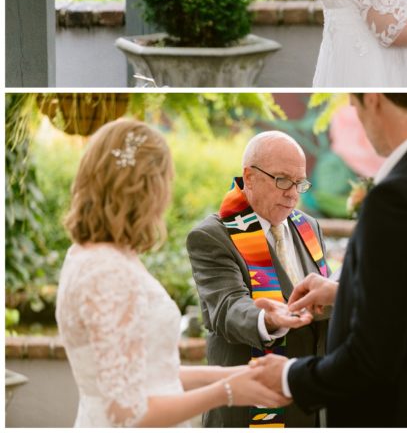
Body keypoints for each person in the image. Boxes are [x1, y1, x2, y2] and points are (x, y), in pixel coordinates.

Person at [246, 93, 407, 427]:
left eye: (355, 104)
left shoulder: (397, 197)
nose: (357, 118)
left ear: (374, 99)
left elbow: (371, 361)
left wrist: (288, 375)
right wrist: (346, 290)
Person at [55, 119, 288, 428]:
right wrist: (227, 392)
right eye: (166, 179)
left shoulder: (96, 255)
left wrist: (240, 374)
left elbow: (151, 374)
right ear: (145, 188)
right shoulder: (107, 272)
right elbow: (130, 413)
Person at [186, 131, 331, 427]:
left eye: (299, 183)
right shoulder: (213, 235)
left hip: (307, 406)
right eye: (282, 180)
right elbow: (227, 308)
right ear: (249, 177)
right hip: (246, 411)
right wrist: (269, 319)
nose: (292, 193)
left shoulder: (308, 226)